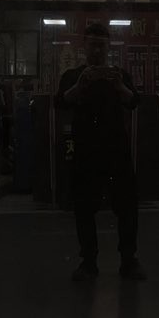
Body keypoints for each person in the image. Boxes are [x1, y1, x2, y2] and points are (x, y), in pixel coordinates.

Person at [56, 23, 146, 281]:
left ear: (108, 47)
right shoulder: (73, 75)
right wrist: (79, 86)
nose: (97, 50)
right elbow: (60, 102)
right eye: (93, 45)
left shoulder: (118, 75)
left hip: (116, 148)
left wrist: (120, 87)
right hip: (86, 150)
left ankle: (128, 260)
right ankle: (88, 262)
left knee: (127, 205)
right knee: (84, 207)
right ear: (84, 46)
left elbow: (134, 102)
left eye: (101, 45)